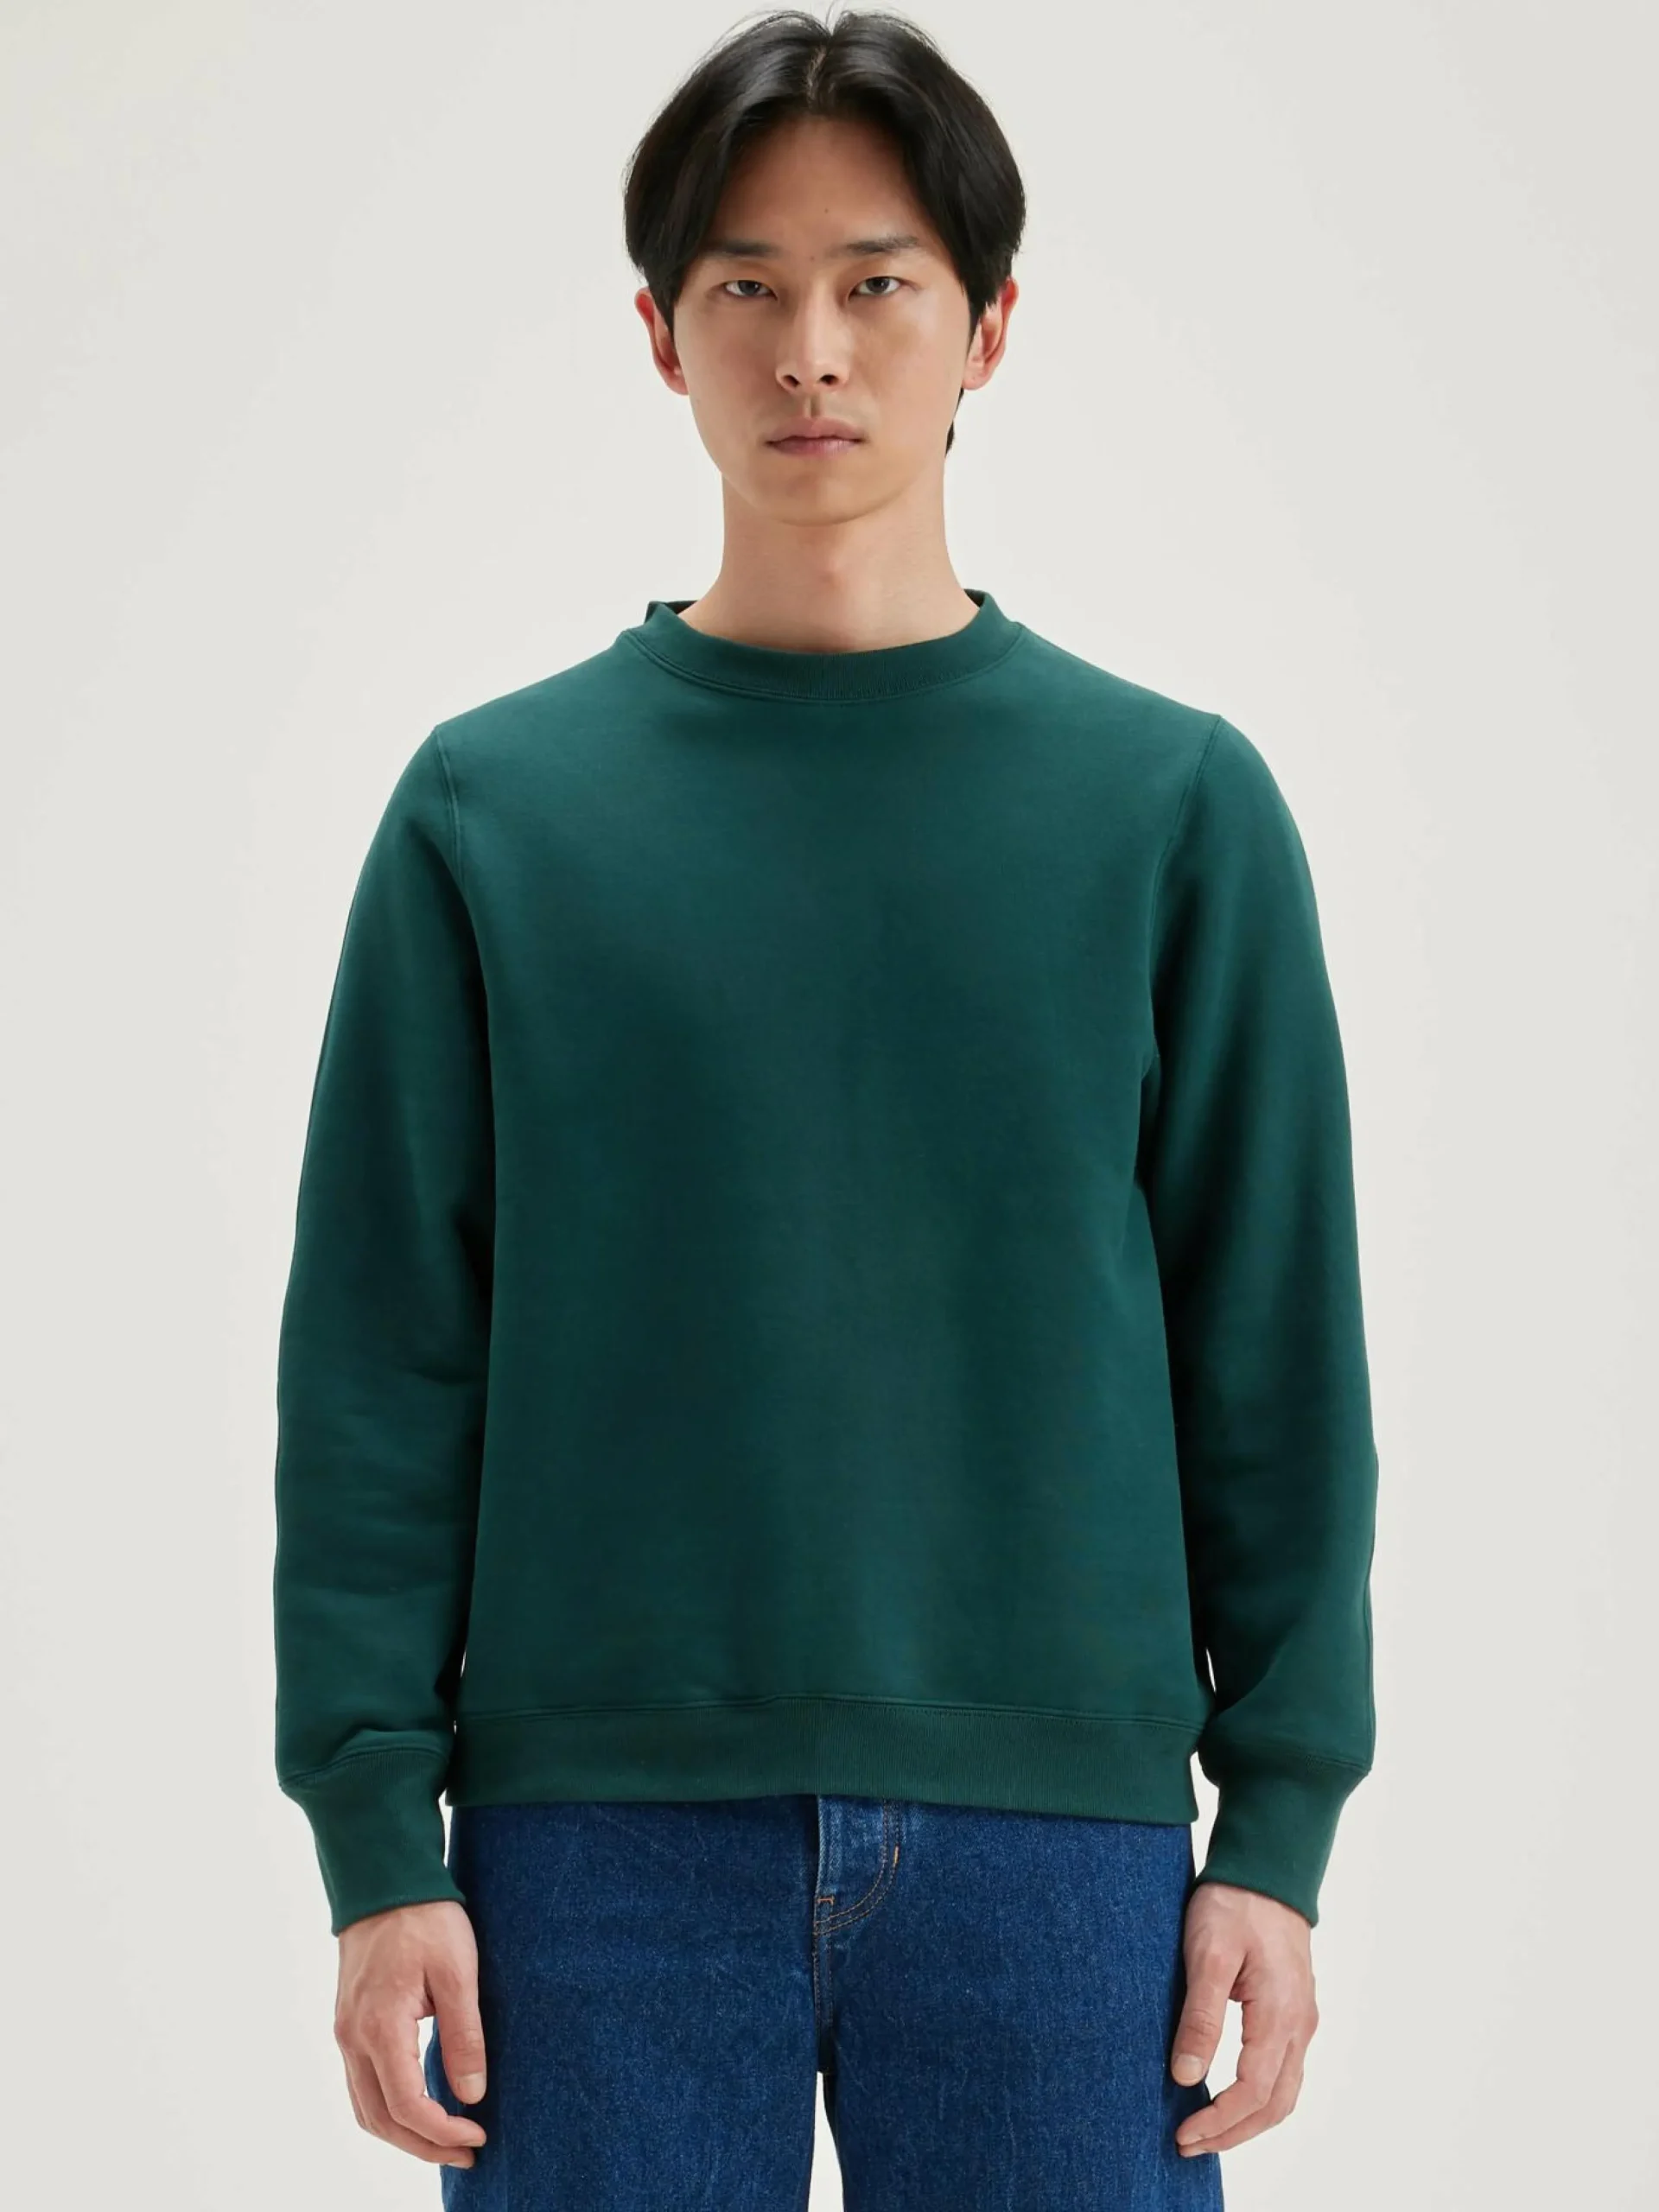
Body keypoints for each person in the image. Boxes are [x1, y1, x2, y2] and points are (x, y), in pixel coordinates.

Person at [271, 10, 1379, 2205]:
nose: (810, 350)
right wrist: (378, 1839)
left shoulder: (1171, 808)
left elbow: (1273, 1354)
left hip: (1062, 1841)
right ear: (658, 335)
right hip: (590, 1841)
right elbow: (385, 1359)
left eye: (877, 283)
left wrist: (1278, 1823)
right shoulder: (494, 812)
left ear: (989, 327)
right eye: (746, 287)